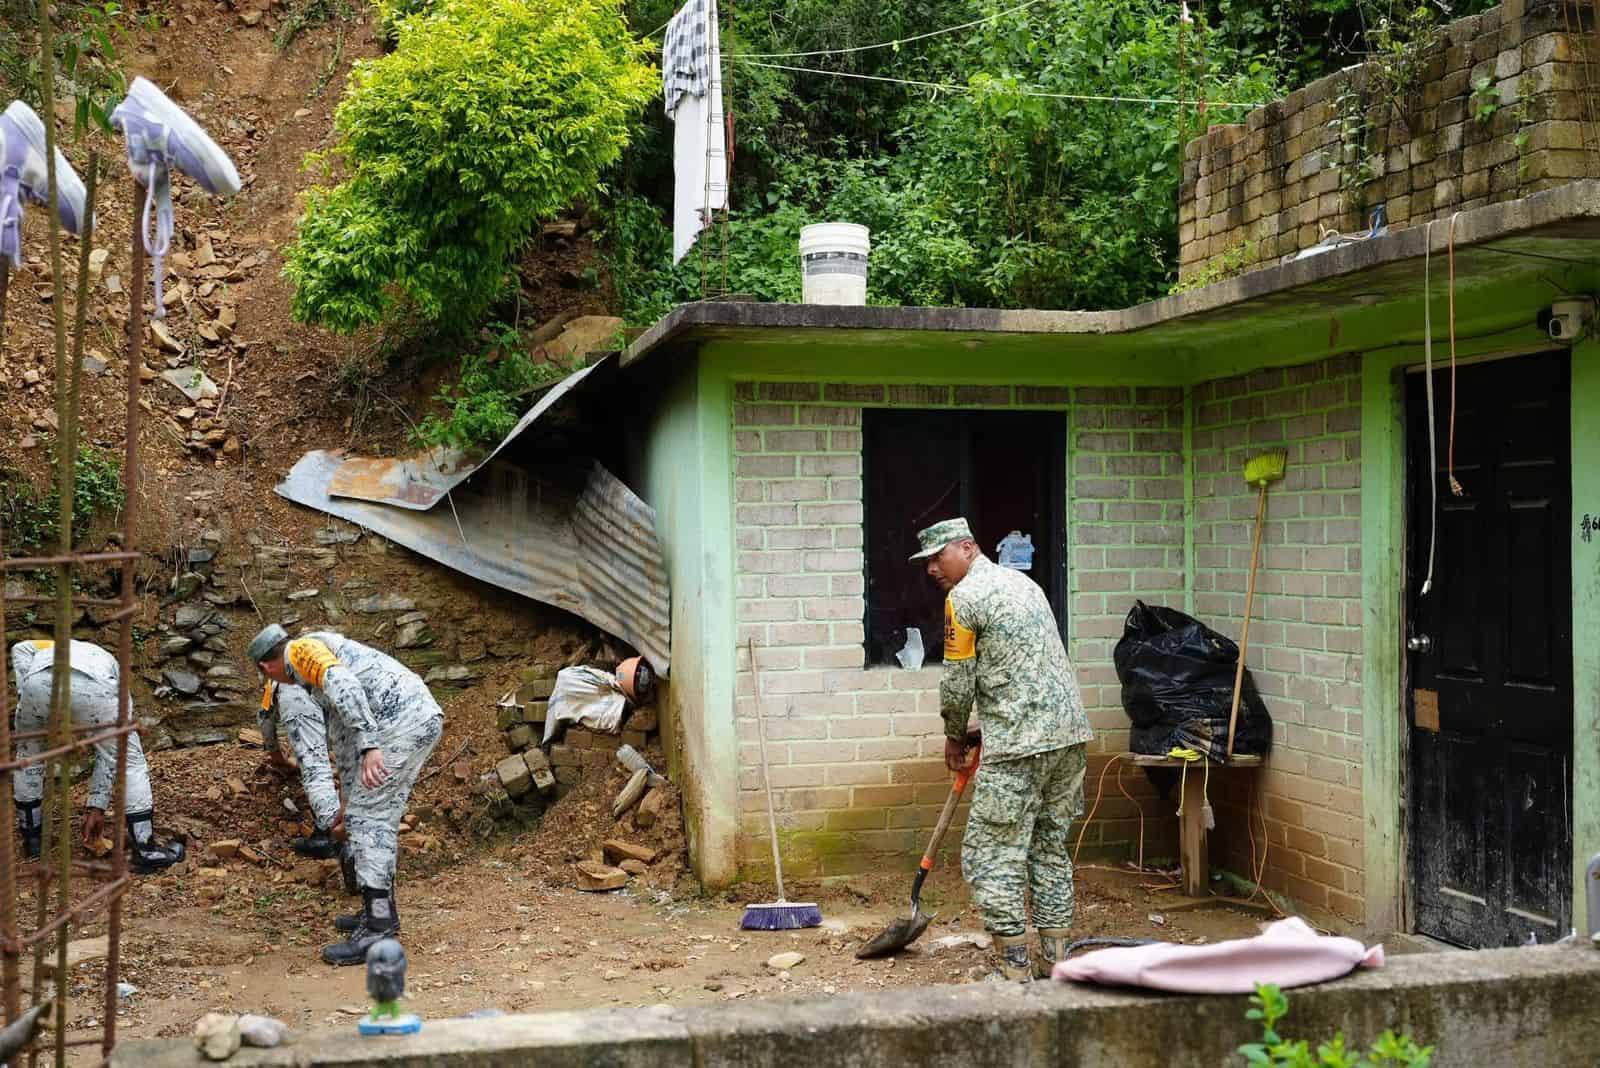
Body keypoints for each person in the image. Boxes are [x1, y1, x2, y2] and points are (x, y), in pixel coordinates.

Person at [910, 518, 1093, 981]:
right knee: (1049, 847)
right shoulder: (1023, 584)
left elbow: (957, 682)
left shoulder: (964, 598)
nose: (933, 568)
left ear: (968, 547)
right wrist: (983, 723)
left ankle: (1013, 969)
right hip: (1068, 736)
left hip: (1018, 747)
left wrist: (955, 733)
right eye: (928, 561)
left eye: (939, 556)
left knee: (992, 852)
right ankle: (1056, 962)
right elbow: (1026, 666)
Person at [247, 624, 442, 966]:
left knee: (370, 821)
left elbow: (347, 687)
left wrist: (369, 745)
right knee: (364, 816)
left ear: (267, 668)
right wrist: (346, 802)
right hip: (408, 719)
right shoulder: (308, 666)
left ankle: (378, 927)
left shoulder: (300, 652)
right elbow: (341, 737)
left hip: (401, 722)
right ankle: (379, 913)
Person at [9, 639, 185, 873]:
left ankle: (32, 841)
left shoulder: (41, 648)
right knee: (128, 760)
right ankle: (145, 851)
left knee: (28, 757)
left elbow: (19, 648)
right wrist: (98, 805)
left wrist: (26, 692)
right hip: (93, 687)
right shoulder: (108, 667)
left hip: (35, 686)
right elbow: (111, 757)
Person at [258, 678, 360, 897]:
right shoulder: (314, 665)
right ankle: (360, 833)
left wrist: (277, 757)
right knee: (347, 765)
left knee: (315, 769)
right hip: (339, 695)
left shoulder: (274, 682)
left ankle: (336, 840)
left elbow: (265, 719)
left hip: (299, 703)